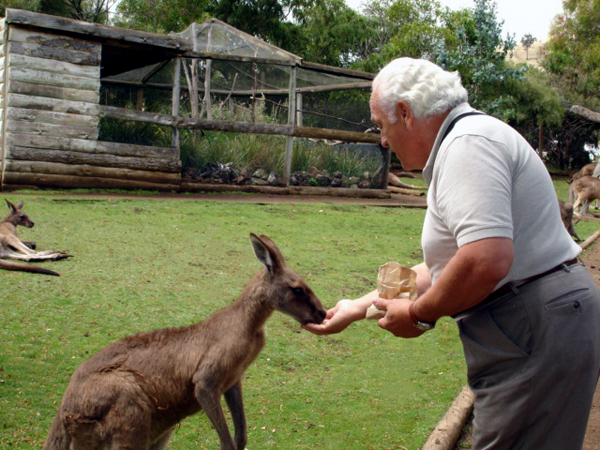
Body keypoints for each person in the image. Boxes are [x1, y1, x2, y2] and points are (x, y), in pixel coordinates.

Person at [303, 57, 600, 449]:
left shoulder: (467, 145)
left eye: (381, 125)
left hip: (532, 323)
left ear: (405, 113)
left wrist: (418, 315)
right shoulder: (467, 140)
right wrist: (358, 306)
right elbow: (449, 264)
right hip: (539, 320)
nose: (383, 141)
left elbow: (486, 259)